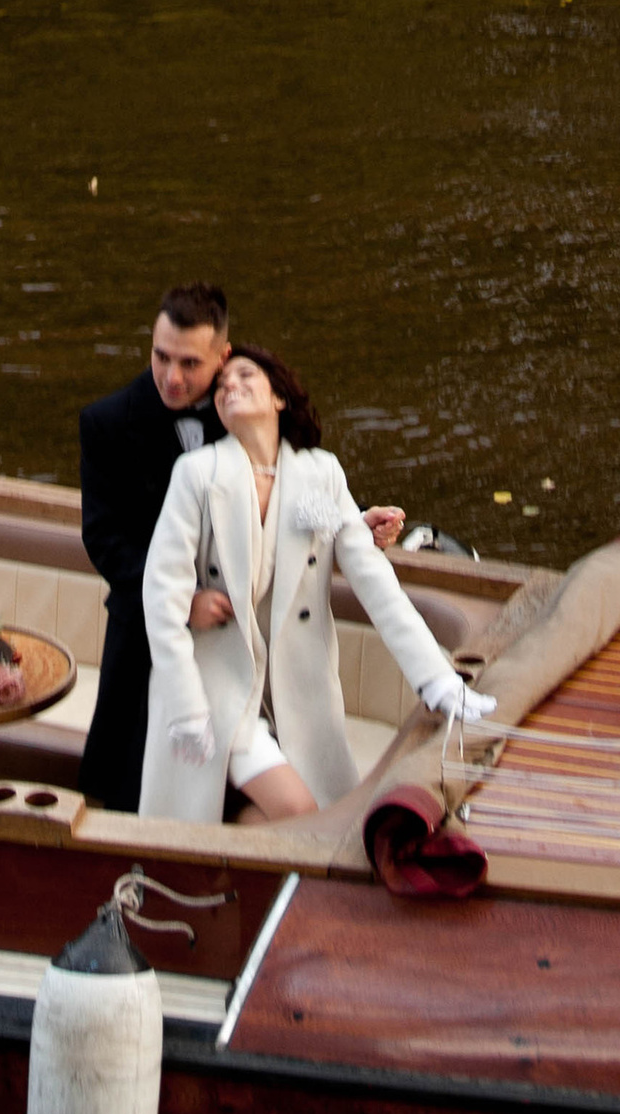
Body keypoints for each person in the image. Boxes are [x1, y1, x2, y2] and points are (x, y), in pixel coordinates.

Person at [138, 344, 490, 823]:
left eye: (245, 375)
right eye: (221, 385)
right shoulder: (197, 473)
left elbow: (374, 581)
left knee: (305, 823)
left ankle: (228, 867)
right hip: (215, 689)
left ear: (280, 397)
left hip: (298, 692)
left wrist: (437, 680)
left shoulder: (320, 473)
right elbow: (162, 594)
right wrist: (186, 708)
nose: (229, 386)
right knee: (297, 809)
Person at [76, 280, 230, 811]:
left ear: (223, 358)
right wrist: (178, 602)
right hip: (141, 633)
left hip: (234, 636)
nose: (172, 376)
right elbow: (104, 540)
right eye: (161, 357)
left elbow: (298, 477)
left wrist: (357, 521)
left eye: (190, 363)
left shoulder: (247, 414)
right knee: (127, 788)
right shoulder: (105, 423)